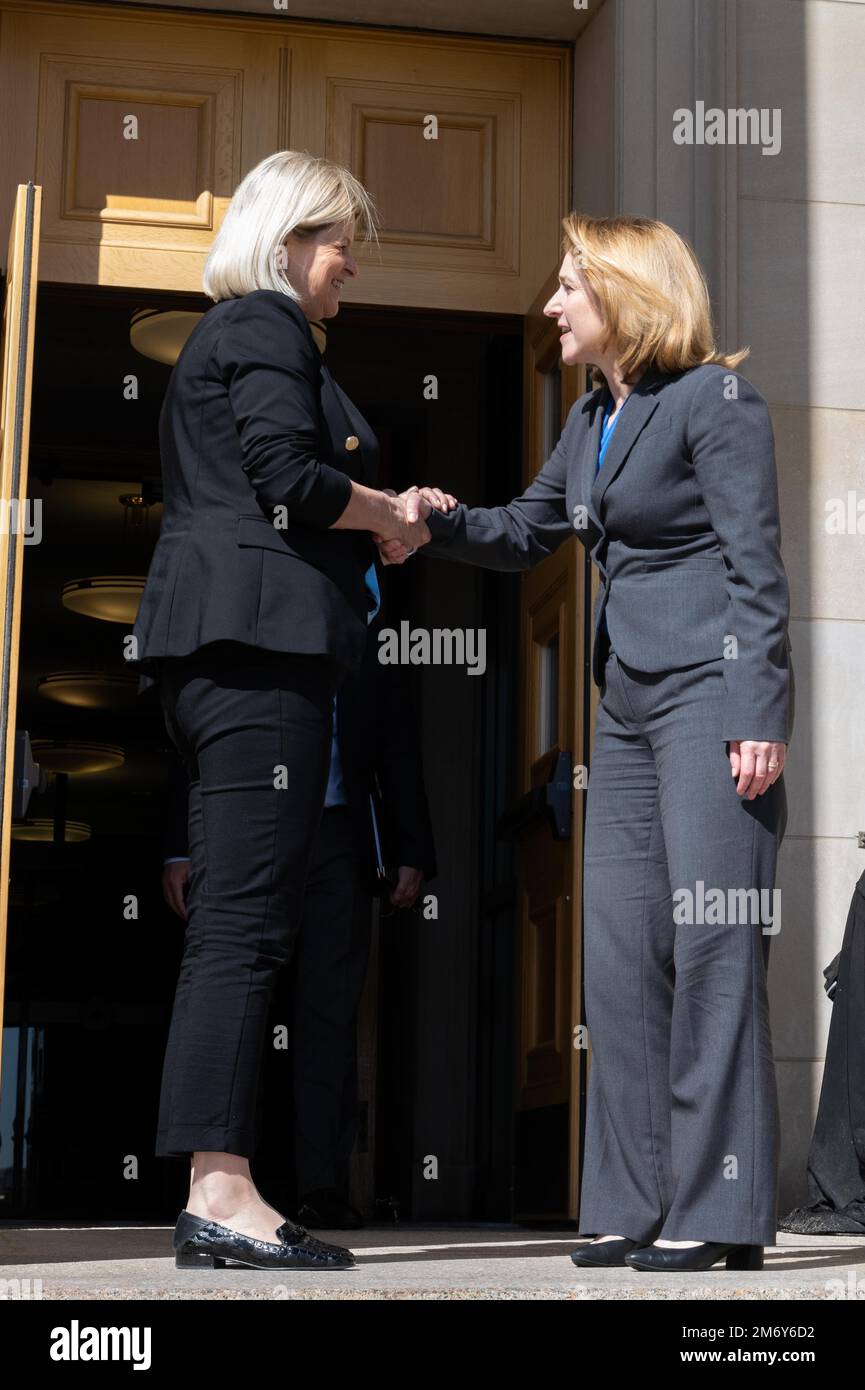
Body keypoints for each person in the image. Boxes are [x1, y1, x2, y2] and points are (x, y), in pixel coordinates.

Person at [378, 214, 794, 1274]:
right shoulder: (591, 419)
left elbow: (758, 567)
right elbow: (527, 530)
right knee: (613, 958)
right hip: (625, 711)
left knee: (709, 952)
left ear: (626, 294)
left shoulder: (715, 402)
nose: (553, 306)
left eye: (569, 286)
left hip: (710, 692)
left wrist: (759, 709)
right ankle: (630, 1200)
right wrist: (435, 519)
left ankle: (719, 1211)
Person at [127, 150, 435, 1272]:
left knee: (232, 928)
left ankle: (221, 1188)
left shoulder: (239, 335)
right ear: (290, 237)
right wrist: (386, 510)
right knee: (245, 931)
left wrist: (371, 518)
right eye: (340, 237)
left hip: (228, 660)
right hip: (258, 659)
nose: (351, 260)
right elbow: (286, 473)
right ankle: (220, 1190)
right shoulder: (261, 326)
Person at [160, 590, 438, 1231]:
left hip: (337, 837)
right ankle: (212, 1187)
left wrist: (410, 849)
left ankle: (322, 1189)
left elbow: (397, 739)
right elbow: (192, 735)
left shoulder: (367, 621)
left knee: (329, 1013)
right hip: (246, 824)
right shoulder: (244, 600)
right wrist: (180, 846)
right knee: (235, 996)